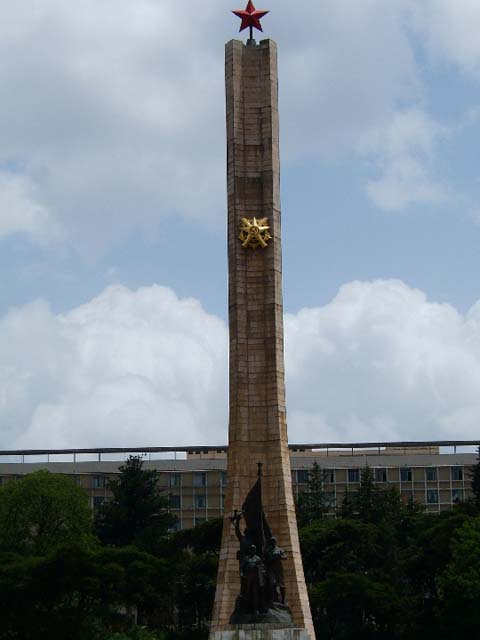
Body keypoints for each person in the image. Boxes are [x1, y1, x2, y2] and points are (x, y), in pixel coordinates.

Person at [240, 545, 266, 613]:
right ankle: (245, 608)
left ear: (255, 550)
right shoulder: (246, 558)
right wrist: (242, 574)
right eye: (251, 549)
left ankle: (255, 609)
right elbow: (242, 567)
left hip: (256, 577)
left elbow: (262, 567)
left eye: (254, 549)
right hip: (248, 576)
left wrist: (262, 572)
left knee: (255, 593)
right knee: (247, 592)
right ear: (250, 550)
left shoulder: (258, 558)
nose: (253, 550)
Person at [264, 536, 287, 605]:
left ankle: (283, 600)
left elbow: (285, 557)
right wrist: (270, 559)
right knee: (272, 583)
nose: (273, 542)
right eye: (272, 541)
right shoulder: (268, 550)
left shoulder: (279, 550)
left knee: (281, 584)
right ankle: (274, 598)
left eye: (274, 541)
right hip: (271, 568)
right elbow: (265, 559)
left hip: (278, 568)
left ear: (275, 542)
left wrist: (280, 556)